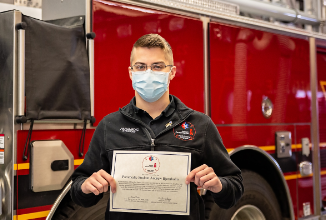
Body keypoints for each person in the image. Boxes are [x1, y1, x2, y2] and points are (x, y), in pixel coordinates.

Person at [70, 34, 243, 220]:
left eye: (157, 66)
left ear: (172, 72)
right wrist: (86, 186)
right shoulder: (109, 126)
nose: (148, 73)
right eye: (141, 66)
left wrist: (219, 185)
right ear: (130, 72)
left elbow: (234, 188)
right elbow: (79, 192)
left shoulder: (200, 125)